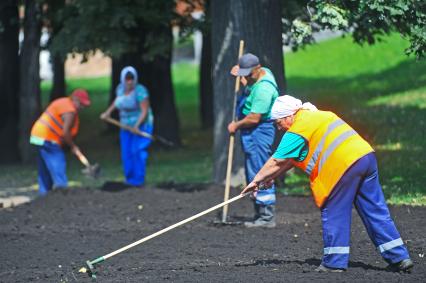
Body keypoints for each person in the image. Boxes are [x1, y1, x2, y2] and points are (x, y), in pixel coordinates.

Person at [241, 95, 414, 272]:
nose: (278, 128)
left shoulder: (298, 128)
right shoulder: (319, 116)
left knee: (334, 211)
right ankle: (399, 257)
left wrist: (256, 180)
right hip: (365, 158)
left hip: (343, 167)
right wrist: (269, 178)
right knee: (375, 210)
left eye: (278, 123)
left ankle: (334, 262)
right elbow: (289, 161)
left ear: (289, 116)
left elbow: (277, 160)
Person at [228, 53, 279, 228]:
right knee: (253, 170)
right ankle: (259, 213)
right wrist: (242, 77)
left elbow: (254, 118)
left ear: (257, 69)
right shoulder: (262, 73)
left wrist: (236, 125)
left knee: (260, 170)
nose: (246, 77)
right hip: (251, 133)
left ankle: (266, 217)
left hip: (258, 131)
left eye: (248, 74)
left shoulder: (264, 90)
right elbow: (250, 85)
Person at [30, 89, 91, 196]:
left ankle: (43, 196)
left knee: (44, 168)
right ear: (75, 99)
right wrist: (73, 146)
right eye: (81, 104)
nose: (82, 107)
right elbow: (65, 132)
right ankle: (62, 193)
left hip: (37, 136)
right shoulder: (70, 111)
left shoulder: (63, 102)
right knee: (58, 162)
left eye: (84, 105)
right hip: (48, 138)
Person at [100, 66, 154, 187]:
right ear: (123, 79)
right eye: (127, 78)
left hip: (141, 126)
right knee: (127, 153)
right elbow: (117, 101)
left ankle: (138, 180)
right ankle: (129, 180)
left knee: (137, 151)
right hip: (125, 126)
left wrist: (137, 126)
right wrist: (107, 113)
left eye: (131, 78)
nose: (129, 81)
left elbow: (144, 111)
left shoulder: (140, 91)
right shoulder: (120, 89)